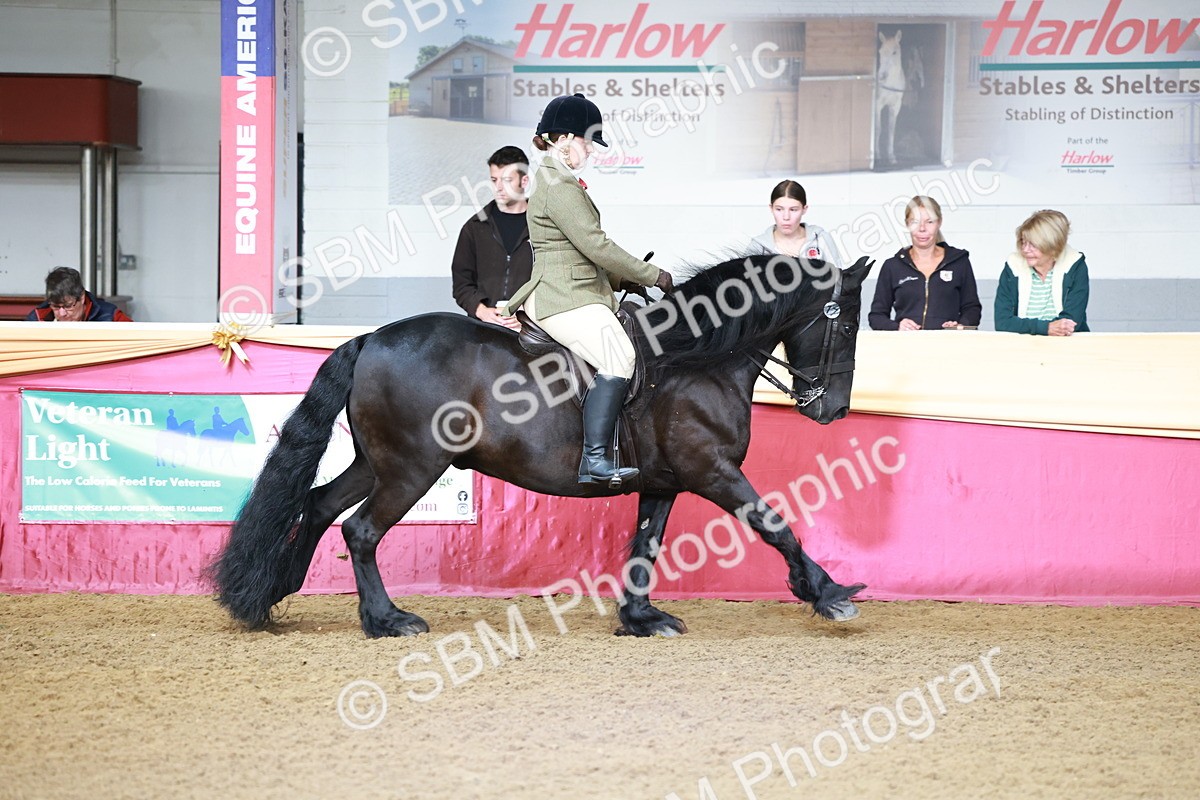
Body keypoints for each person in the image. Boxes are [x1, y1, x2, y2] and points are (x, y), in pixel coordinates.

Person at [501, 93, 672, 487]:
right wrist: (651, 275)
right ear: (563, 138)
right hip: (562, 298)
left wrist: (620, 280)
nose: (591, 150)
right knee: (620, 357)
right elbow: (595, 244)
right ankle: (594, 459)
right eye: (587, 141)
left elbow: (575, 251)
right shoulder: (557, 183)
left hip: (574, 288)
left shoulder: (555, 178)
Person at [451, 146, 534, 331]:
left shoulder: (543, 226)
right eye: (494, 180)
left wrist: (528, 314)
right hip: (483, 332)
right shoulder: (474, 227)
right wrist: (481, 311)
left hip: (532, 331)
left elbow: (553, 281)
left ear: (524, 180)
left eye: (506, 180)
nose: (498, 187)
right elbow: (461, 283)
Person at [868, 195, 981, 330]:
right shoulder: (892, 266)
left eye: (929, 222)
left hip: (948, 346)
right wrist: (897, 326)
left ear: (939, 222)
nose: (922, 228)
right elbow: (876, 317)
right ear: (907, 224)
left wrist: (960, 326)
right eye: (915, 222)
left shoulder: (959, 262)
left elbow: (972, 309)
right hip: (905, 347)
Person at [995, 209, 1089, 336]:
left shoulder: (1075, 265)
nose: (1025, 249)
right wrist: (1046, 328)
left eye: (1033, 244)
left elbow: (1071, 322)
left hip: (1067, 347)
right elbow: (1002, 322)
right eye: (1023, 242)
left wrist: (1032, 327)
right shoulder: (1013, 267)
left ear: (1053, 246)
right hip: (1023, 347)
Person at [751, 179, 844, 268]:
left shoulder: (820, 240)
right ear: (771, 208)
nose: (786, 217)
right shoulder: (758, 246)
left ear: (804, 209)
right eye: (779, 209)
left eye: (793, 210)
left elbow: (839, 280)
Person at [25, 266, 132, 321]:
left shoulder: (111, 316)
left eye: (68, 306)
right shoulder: (37, 319)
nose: (62, 314)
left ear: (81, 297)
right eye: (56, 307)